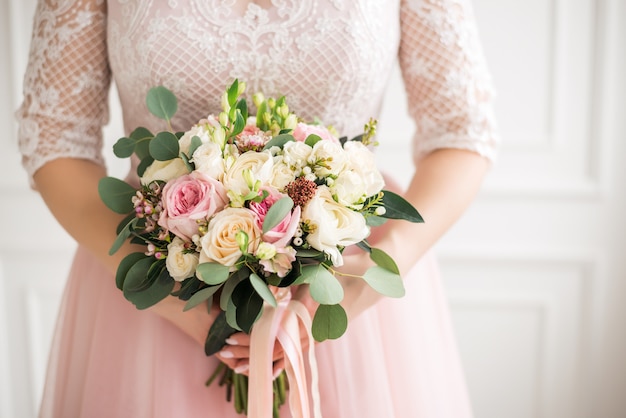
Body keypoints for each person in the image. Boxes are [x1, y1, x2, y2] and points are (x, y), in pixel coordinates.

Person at [17, 0, 498, 417]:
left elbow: (463, 130)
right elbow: (55, 139)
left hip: (345, 289)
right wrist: (172, 302)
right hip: (156, 281)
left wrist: (364, 281)